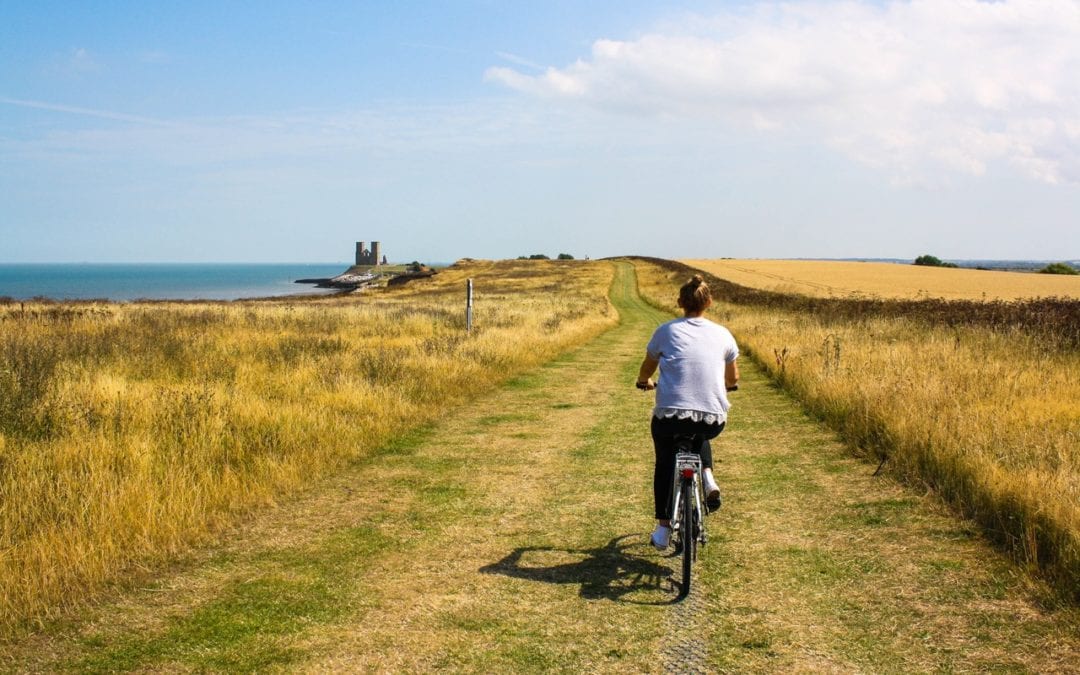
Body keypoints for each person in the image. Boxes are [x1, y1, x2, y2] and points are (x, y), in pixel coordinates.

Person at [636, 274, 739, 550]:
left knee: (664, 462)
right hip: (712, 418)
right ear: (709, 302)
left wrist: (644, 381)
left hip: (670, 416)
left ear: (680, 302)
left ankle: (662, 529)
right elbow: (732, 379)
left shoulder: (666, 331)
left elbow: (647, 367)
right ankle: (707, 476)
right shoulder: (723, 334)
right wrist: (729, 386)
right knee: (700, 428)